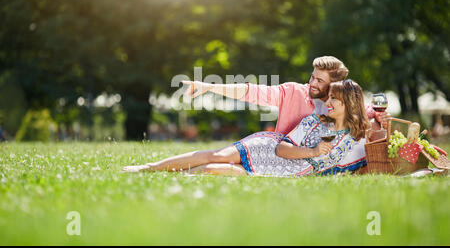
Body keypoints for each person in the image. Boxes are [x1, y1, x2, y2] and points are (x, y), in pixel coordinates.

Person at [122, 80, 370, 177]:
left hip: (282, 173)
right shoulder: (314, 122)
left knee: (212, 169)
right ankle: (148, 168)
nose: (327, 103)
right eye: (329, 98)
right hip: (268, 151)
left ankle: (171, 176)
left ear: (348, 104)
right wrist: (314, 151)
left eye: (334, 100)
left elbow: (379, 156)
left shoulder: (358, 140)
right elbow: (283, 149)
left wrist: (385, 122)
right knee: (216, 155)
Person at [181, 56, 389, 135]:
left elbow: (368, 117)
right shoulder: (293, 92)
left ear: (333, 84)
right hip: (284, 155)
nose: (312, 83)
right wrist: (209, 86)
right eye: (312, 77)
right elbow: (252, 92)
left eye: (319, 81)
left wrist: (381, 120)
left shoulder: (342, 103)